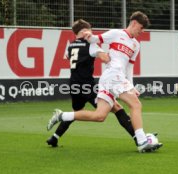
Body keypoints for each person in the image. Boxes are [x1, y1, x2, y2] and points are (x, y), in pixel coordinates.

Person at [47, 11, 162, 152]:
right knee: (135, 104)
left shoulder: (136, 45)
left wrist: (131, 86)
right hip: (112, 76)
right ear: (134, 23)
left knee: (100, 116)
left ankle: (61, 115)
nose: (142, 31)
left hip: (101, 80)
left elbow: (130, 67)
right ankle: (142, 141)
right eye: (141, 27)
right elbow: (96, 39)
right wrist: (90, 37)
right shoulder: (115, 33)